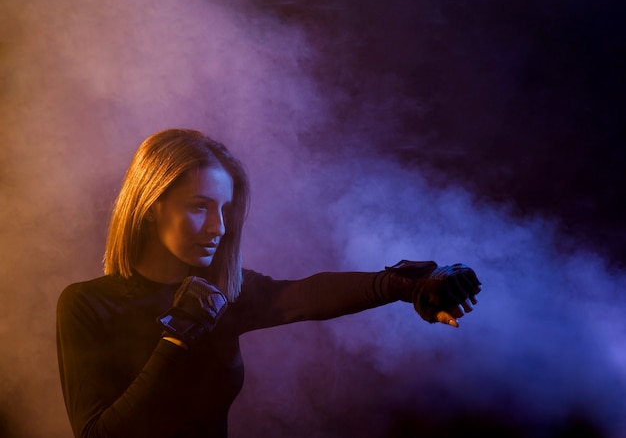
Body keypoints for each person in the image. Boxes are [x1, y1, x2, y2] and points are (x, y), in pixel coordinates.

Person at [56, 128, 482, 438]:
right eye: (199, 207)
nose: (217, 227)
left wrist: (409, 284)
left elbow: (302, 296)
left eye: (224, 210)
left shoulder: (221, 296)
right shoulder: (87, 304)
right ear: (151, 206)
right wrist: (176, 339)